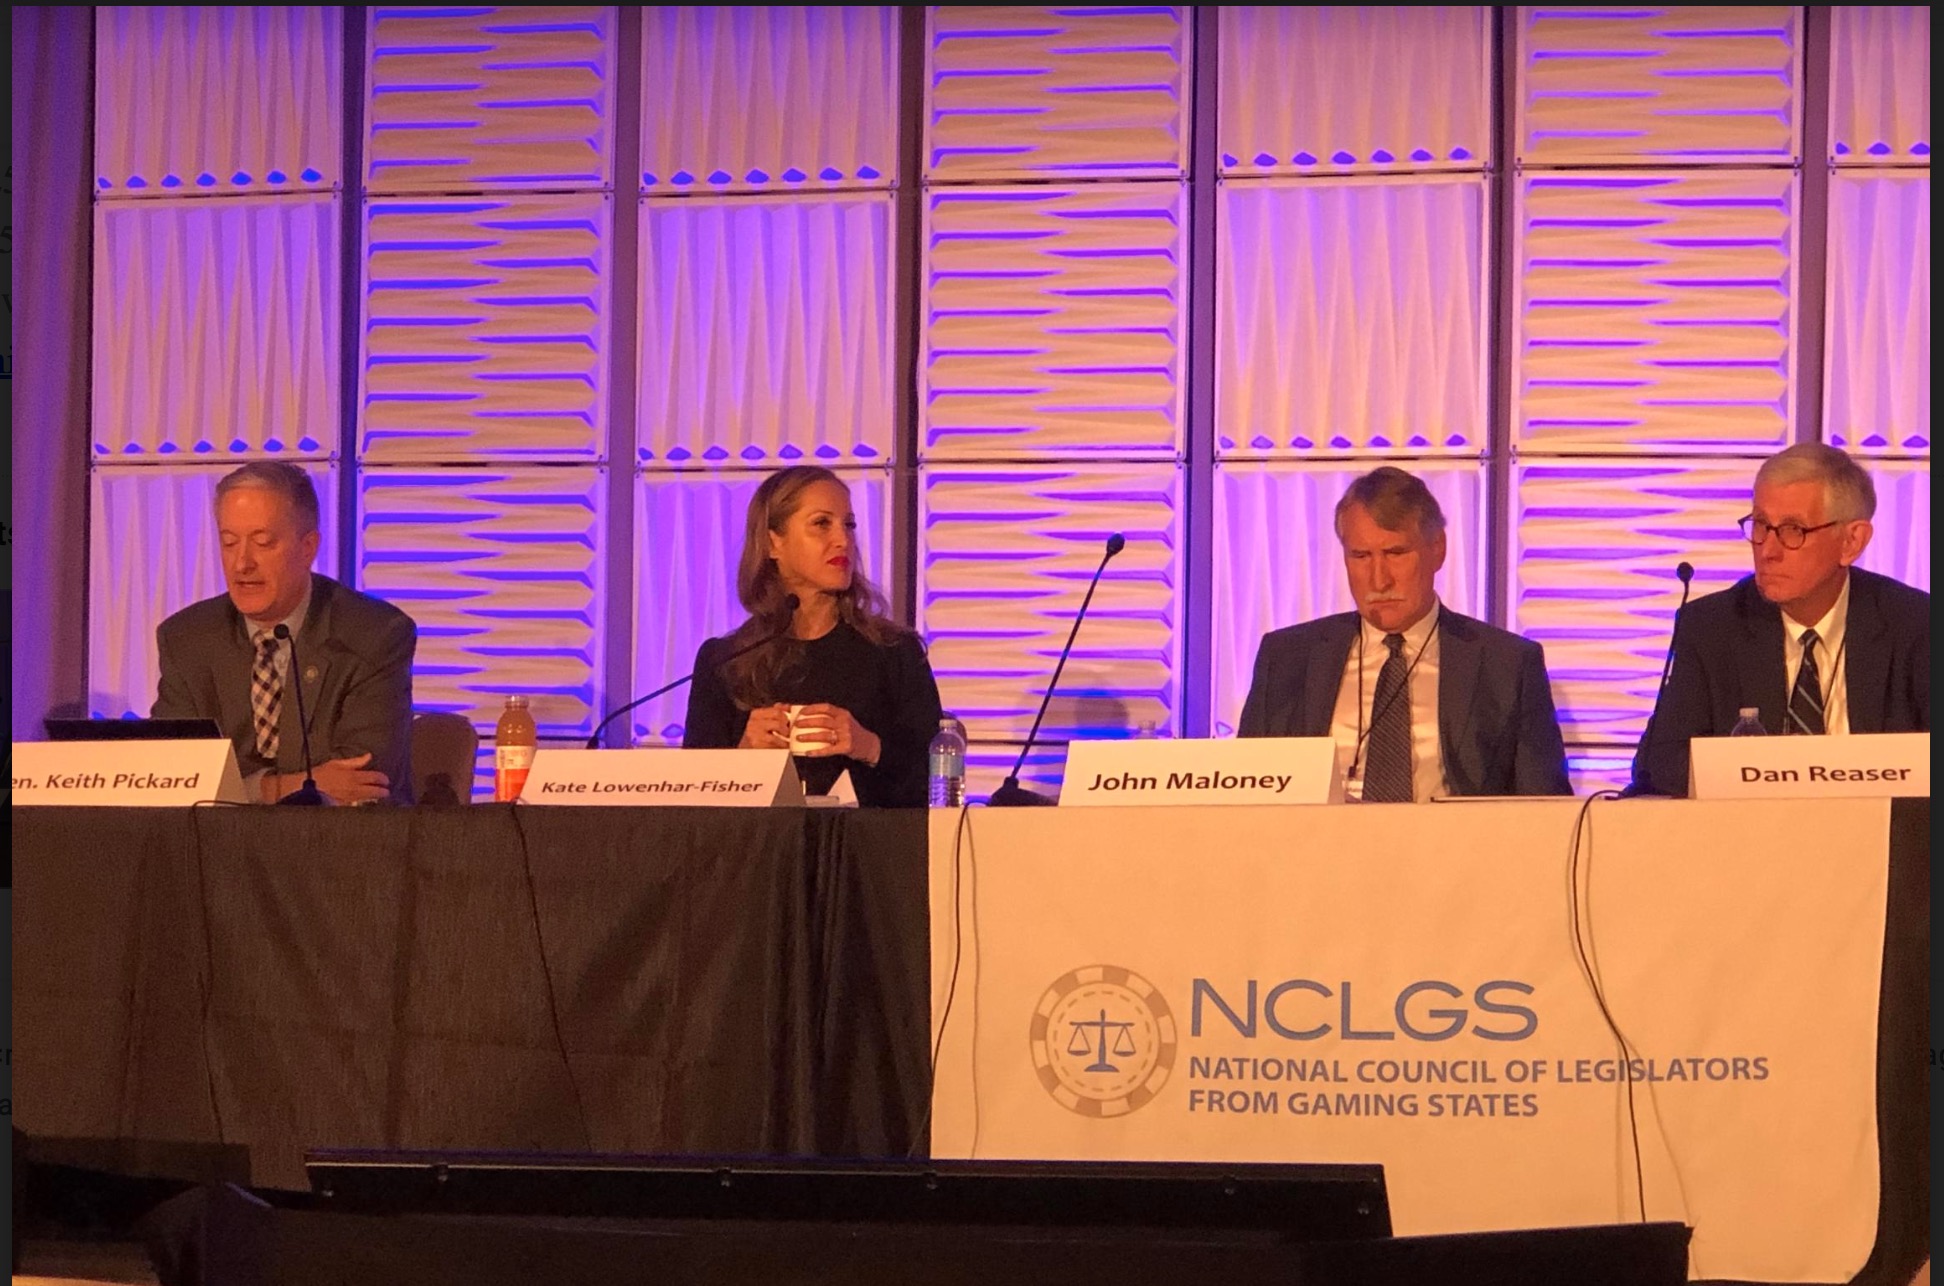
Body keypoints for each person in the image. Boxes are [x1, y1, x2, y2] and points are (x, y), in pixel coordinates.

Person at [1238, 466, 1571, 799]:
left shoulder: (1507, 664)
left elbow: (1546, 809)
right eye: (1361, 556)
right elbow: (1245, 796)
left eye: (1395, 553)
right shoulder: (1286, 658)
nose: (1379, 579)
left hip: (1452, 847)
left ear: (1437, 549)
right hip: (1313, 846)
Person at [1631, 443, 1930, 797]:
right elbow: (1661, 761)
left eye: (1793, 530)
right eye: (1760, 525)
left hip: (1882, 841)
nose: (1768, 550)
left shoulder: (1916, 625)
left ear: (1852, 541)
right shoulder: (1712, 627)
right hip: (1750, 840)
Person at [153, 462, 417, 804]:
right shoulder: (186, 639)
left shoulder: (373, 634)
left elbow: (363, 781)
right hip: (216, 848)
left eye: (263, 543)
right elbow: (171, 775)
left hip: (345, 847)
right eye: (229, 543)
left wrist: (236, 788)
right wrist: (285, 787)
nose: (242, 564)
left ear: (308, 548)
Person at [683, 466, 943, 807]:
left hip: (867, 853)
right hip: (764, 854)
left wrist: (869, 746)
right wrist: (744, 754)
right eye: (822, 524)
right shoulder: (725, 661)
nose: (843, 540)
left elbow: (938, 782)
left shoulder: (896, 653)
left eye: (848, 525)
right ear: (774, 542)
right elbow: (692, 802)